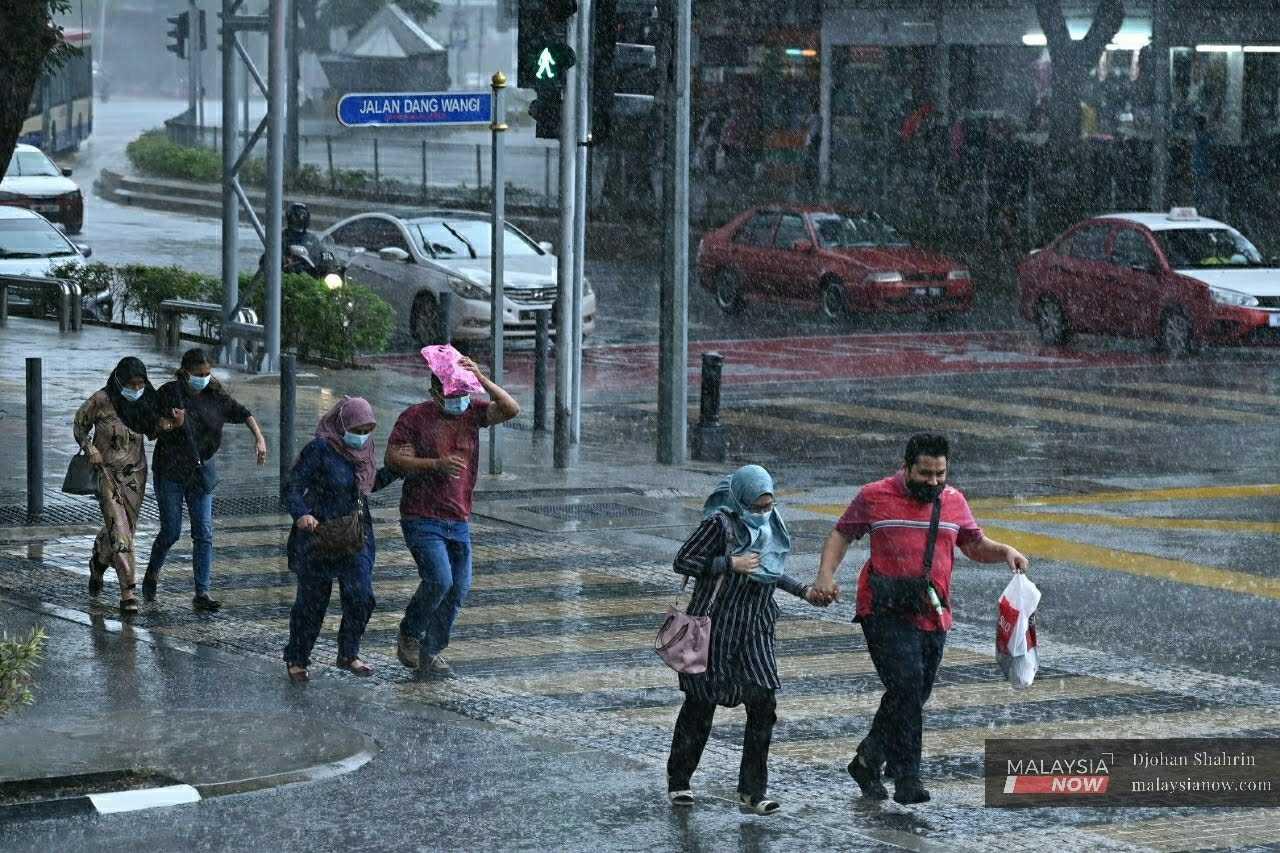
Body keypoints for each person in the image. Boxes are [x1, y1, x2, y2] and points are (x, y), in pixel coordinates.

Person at [812, 434, 1028, 805]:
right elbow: (841, 534)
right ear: (907, 466)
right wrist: (825, 576)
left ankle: (868, 758)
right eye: (925, 473)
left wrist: (1005, 552)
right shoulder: (874, 496)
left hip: (932, 610)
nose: (933, 481)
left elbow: (974, 544)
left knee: (914, 692)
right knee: (909, 684)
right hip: (883, 608)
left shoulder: (954, 501)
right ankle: (908, 778)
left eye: (939, 474)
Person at [665, 465, 834, 816]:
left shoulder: (773, 526)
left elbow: (770, 572)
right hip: (715, 628)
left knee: (763, 705)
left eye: (768, 505)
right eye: (756, 507)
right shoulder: (719, 525)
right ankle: (679, 779)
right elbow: (683, 560)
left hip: (755, 627)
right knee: (700, 705)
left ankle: (753, 791)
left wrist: (805, 592)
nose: (762, 513)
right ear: (740, 500)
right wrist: (730, 562)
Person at [386, 353, 520, 677]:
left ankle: (430, 650)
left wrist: (482, 378)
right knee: (439, 579)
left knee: (458, 588)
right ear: (435, 392)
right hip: (422, 515)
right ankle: (410, 632)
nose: (460, 401)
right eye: (453, 395)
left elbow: (511, 409)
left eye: (464, 393)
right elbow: (393, 460)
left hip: (458, 516)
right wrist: (434, 464)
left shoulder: (472, 414)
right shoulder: (414, 418)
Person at [144, 348, 268, 611]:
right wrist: (172, 424)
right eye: (199, 374)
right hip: (171, 471)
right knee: (171, 530)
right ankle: (152, 573)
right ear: (185, 372)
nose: (204, 378)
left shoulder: (216, 395)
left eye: (207, 373)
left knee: (204, 531)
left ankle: (202, 591)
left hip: (201, 472)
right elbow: (151, 428)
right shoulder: (170, 393)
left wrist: (259, 438)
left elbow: (244, 412)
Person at [73, 358, 182, 613]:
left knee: (123, 530)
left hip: (135, 476)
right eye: (131, 384)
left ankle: (99, 560)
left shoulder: (145, 402)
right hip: (106, 474)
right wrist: (89, 448)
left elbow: (155, 429)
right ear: (120, 381)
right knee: (121, 532)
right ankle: (128, 593)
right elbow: (79, 426)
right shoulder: (100, 400)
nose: (136, 389)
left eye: (140, 384)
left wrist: (171, 424)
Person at [283, 397, 380, 682]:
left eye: (367, 429)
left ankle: (348, 653)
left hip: (354, 534)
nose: (362, 435)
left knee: (361, 596)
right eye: (357, 428)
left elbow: (370, 484)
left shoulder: (365, 452)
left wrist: (405, 468)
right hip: (319, 535)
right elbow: (292, 486)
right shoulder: (320, 449)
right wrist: (301, 514)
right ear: (341, 425)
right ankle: (297, 658)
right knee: (311, 603)